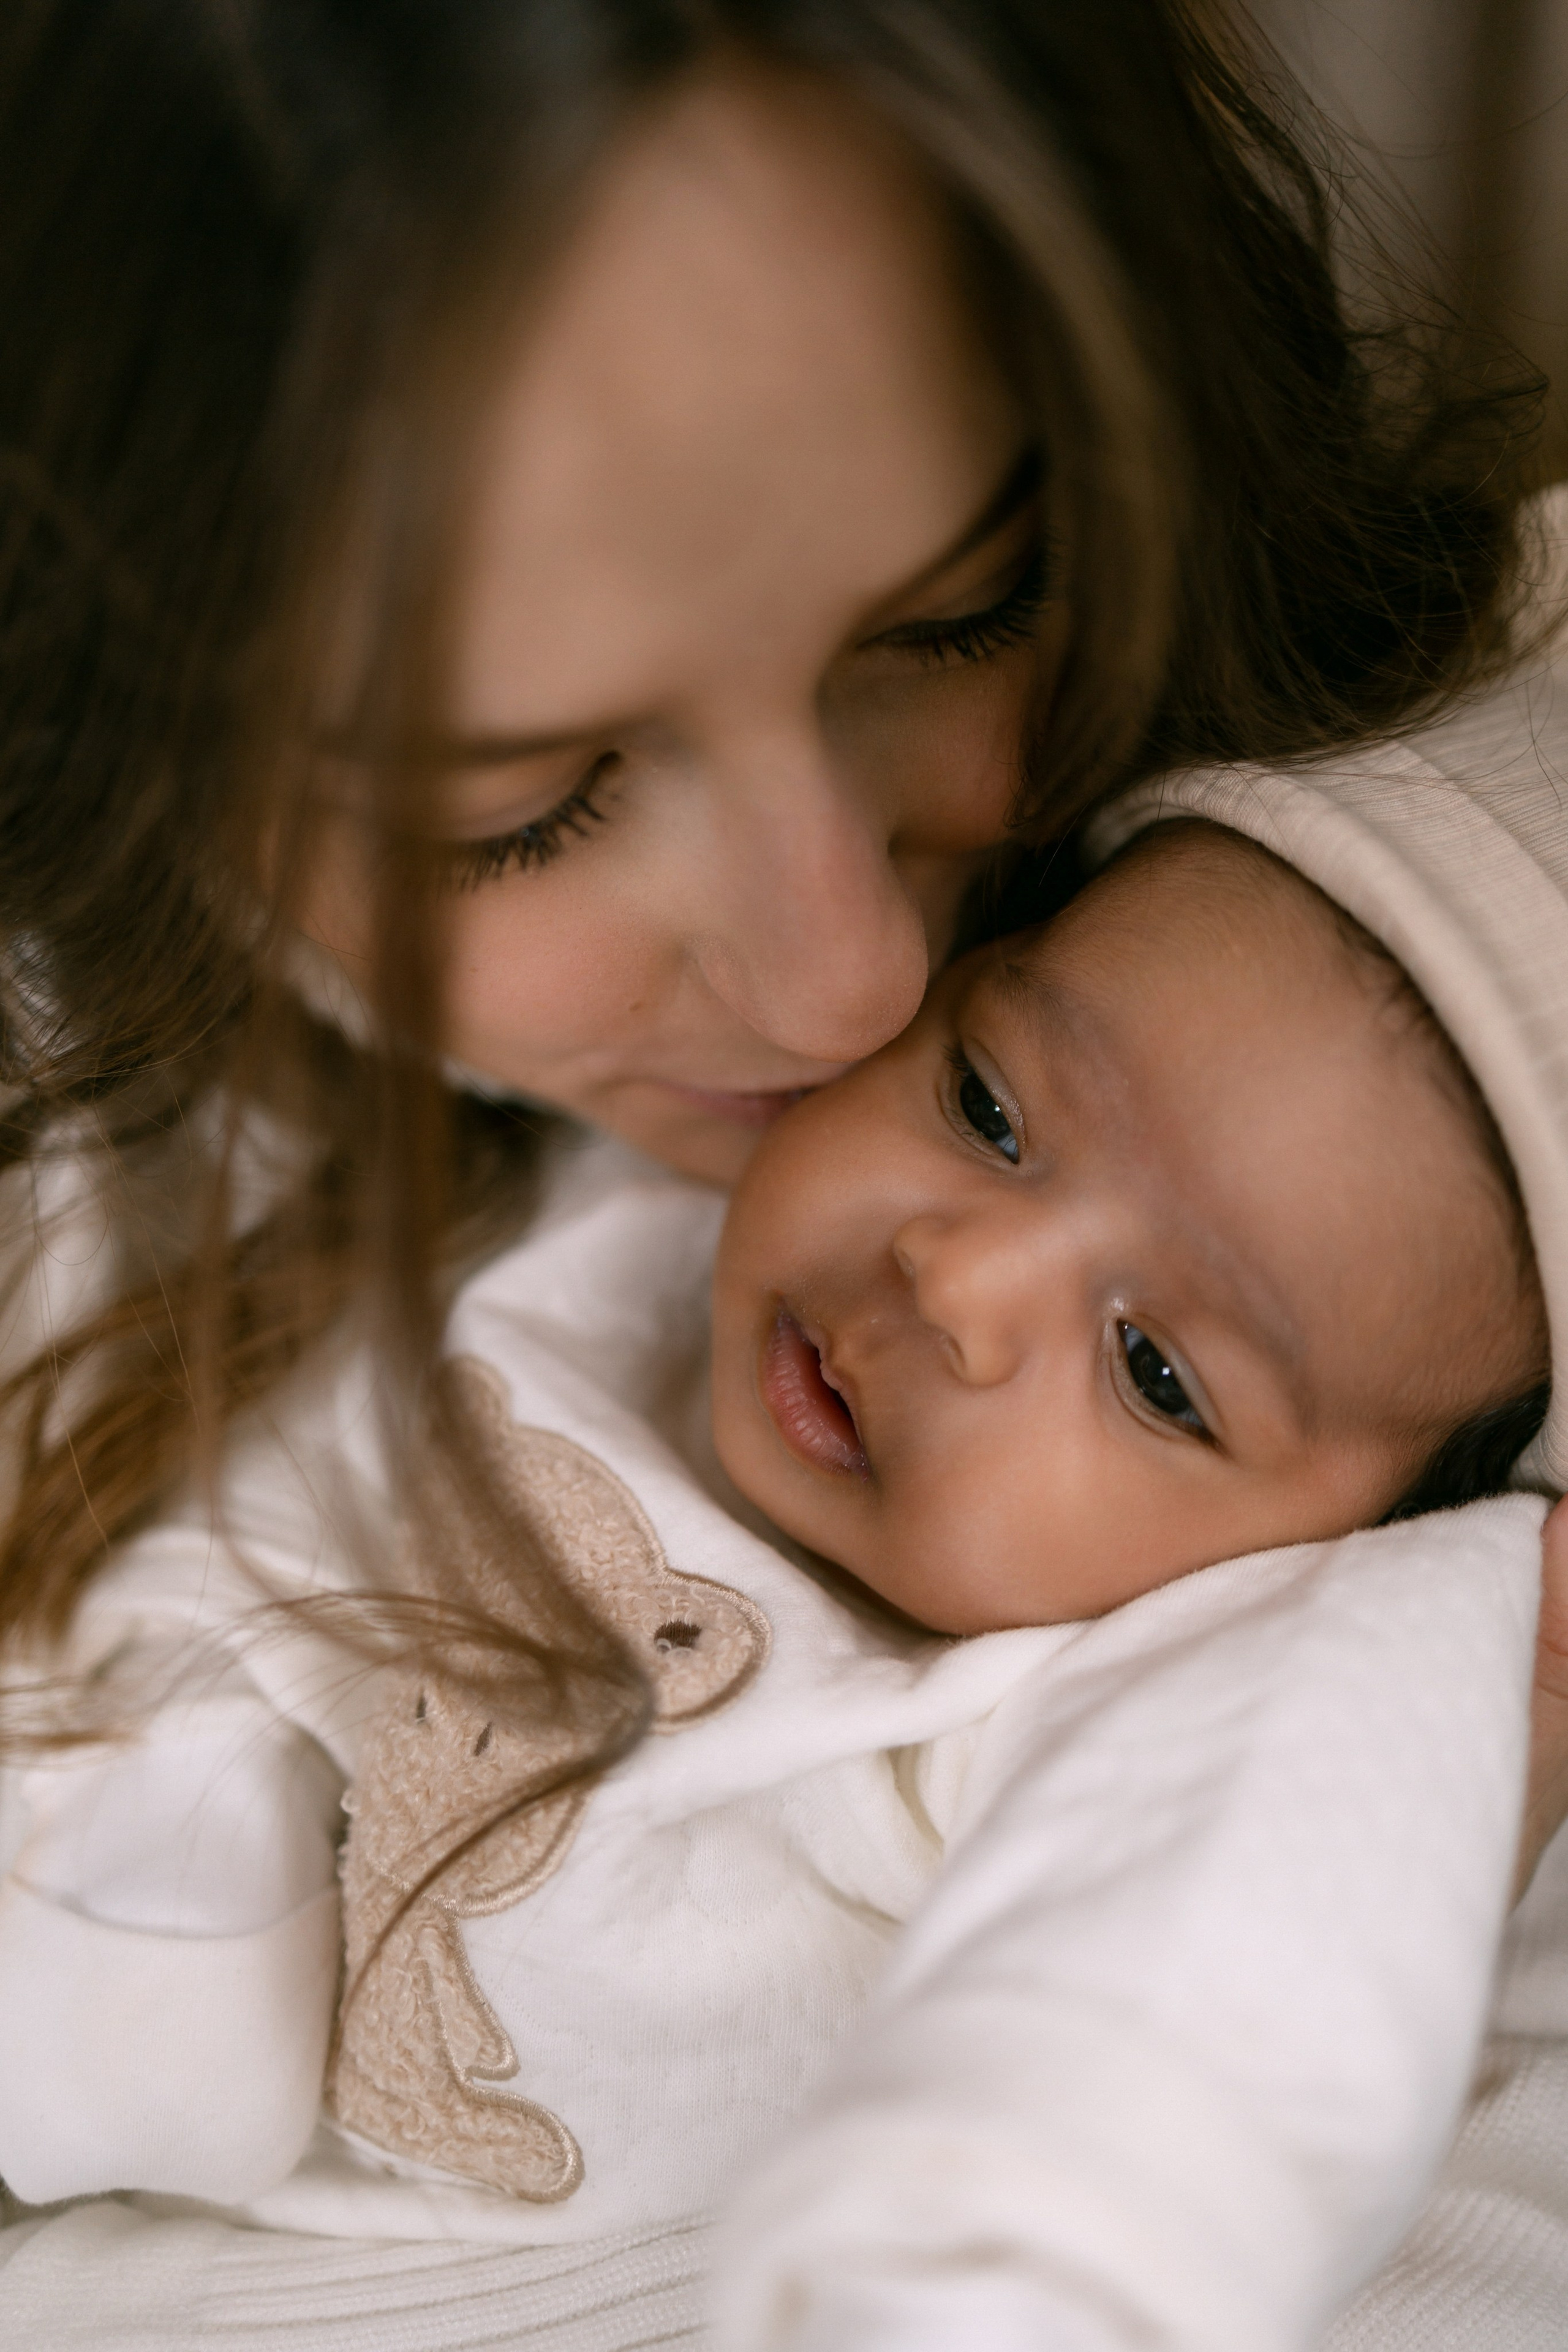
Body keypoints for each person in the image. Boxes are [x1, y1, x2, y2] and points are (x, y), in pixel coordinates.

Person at [3, 2, 1568, 2343]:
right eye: (513, 806)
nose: (857, 988)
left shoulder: (1332, 1578)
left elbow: (1217, 2073)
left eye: (958, 617)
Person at [0, 790, 1561, 2352]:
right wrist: (141, 1891)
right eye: (988, 1106)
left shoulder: (1130, 1686)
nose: (951, 1273)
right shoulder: (609, 1213)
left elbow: (1206, 1972)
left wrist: (1011, 2271)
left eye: (1155, 1373)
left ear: (1367, 1549)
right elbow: (248, 1479)